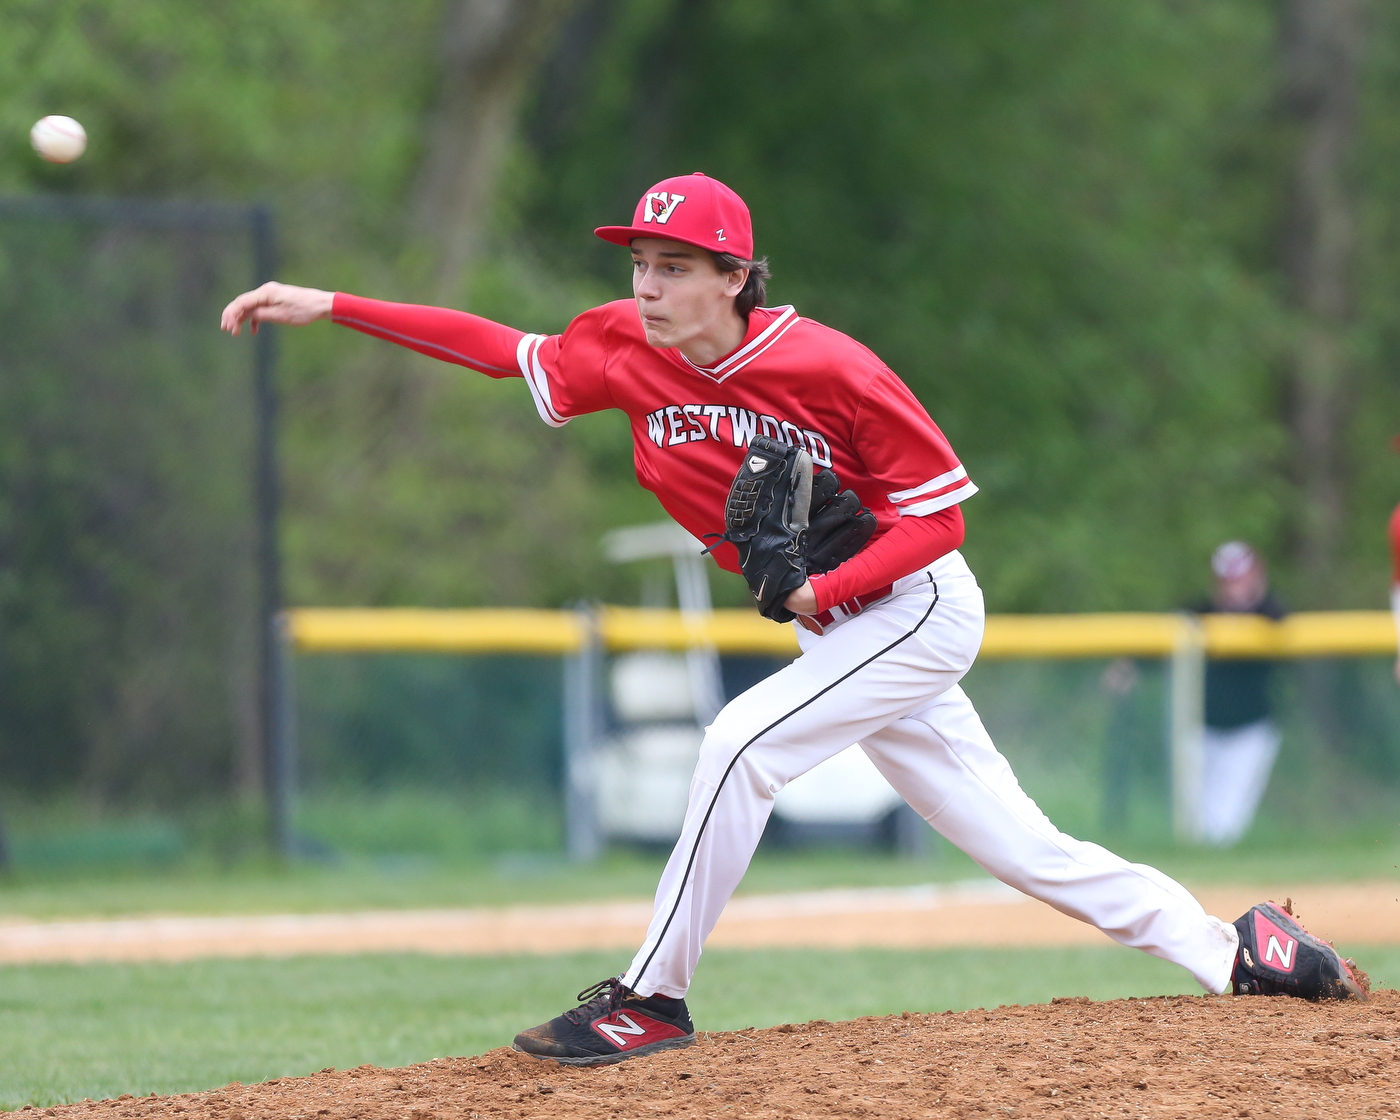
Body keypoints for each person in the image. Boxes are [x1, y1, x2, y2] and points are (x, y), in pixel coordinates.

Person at [221, 172, 1362, 1065]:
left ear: (733, 277)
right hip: (843, 632)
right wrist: (332, 306)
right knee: (1025, 847)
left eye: (673, 267)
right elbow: (498, 349)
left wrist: (820, 587)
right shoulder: (622, 348)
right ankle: (1240, 957)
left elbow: (940, 522)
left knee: (736, 744)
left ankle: (648, 998)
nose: (646, 287)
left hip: (909, 608)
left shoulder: (830, 370)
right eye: (639, 263)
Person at [1194, 542, 1286, 847]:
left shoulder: (1270, 613)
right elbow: (1161, 639)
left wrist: (1248, 601)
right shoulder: (1200, 613)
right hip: (1202, 726)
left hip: (1251, 728)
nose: (1234, 587)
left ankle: (1221, 874)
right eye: (1228, 580)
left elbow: (1279, 616)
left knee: (1226, 820)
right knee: (1198, 818)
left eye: (1241, 578)